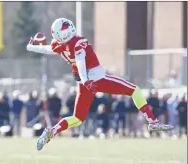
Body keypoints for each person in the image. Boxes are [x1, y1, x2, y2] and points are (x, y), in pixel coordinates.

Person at [26, 18, 173, 151]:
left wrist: (31, 47)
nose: (69, 28)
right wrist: (86, 80)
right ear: (63, 33)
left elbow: (48, 49)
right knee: (135, 90)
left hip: (84, 84)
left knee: (77, 118)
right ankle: (152, 121)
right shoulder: (77, 42)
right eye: (66, 28)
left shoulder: (59, 44)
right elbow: (80, 62)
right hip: (96, 79)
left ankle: (52, 131)